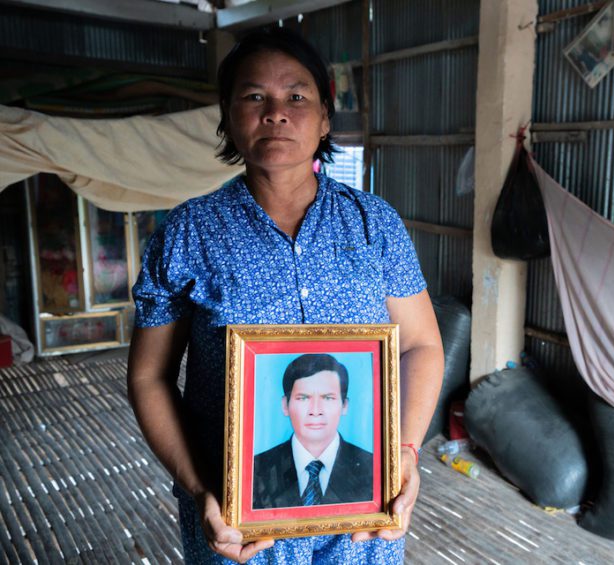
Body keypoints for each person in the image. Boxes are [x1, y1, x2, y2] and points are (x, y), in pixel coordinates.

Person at [127, 26, 444, 564]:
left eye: (297, 96)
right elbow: (149, 375)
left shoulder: (375, 224)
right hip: (235, 524)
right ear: (227, 114)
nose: (276, 112)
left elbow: (421, 345)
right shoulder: (187, 234)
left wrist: (406, 452)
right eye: (255, 97)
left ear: (325, 117)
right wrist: (199, 487)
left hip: (361, 522)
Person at [252, 354, 373, 510]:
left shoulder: (373, 468)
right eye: (303, 398)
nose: (315, 411)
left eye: (328, 398)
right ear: (285, 405)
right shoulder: (255, 469)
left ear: (344, 405)